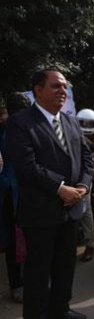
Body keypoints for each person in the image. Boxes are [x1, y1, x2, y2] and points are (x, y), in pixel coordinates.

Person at [6, 68, 92, 319]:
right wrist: (59, 188)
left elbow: (85, 157)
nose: (62, 91)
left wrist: (84, 186)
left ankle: (61, 310)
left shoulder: (70, 120)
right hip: (40, 213)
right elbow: (26, 166)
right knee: (38, 272)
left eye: (64, 86)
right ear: (38, 90)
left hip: (71, 210)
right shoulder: (21, 123)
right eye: (55, 86)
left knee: (65, 267)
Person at [0, 92, 31, 304]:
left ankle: (29, 280)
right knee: (13, 240)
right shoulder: (3, 133)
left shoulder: (33, 129)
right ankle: (17, 284)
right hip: (10, 195)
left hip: (30, 193)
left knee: (32, 238)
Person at [75, 108, 94, 262]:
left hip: (90, 167)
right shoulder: (71, 133)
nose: (86, 125)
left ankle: (89, 244)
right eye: (83, 123)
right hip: (72, 168)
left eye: (89, 123)